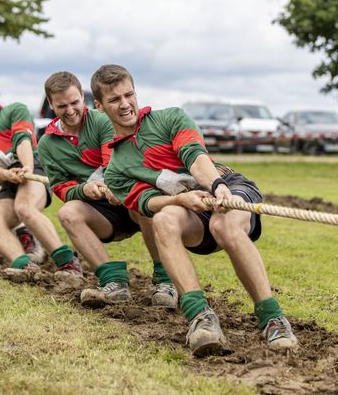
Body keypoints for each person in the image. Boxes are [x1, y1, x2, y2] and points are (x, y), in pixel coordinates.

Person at [90, 64, 298, 356]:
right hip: (189, 207)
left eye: (129, 95)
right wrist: (180, 200)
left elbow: (195, 157)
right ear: (99, 106)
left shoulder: (170, 118)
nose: (125, 104)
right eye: (114, 99)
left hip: (226, 185)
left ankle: (273, 319)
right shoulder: (115, 169)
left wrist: (217, 186)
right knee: (162, 220)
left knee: (223, 226)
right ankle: (201, 317)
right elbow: (146, 203)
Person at [37, 71, 178, 308]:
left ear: (83, 97)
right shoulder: (46, 144)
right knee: (68, 213)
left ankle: (166, 280)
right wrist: (84, 190)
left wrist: (113, 187)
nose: (70, 110)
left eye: (74, 102)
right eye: (62, 106)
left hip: (130, 198)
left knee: (141, 196)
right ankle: (114, 282)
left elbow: (112, 162)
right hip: (102, 212)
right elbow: (60, 187)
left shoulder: (102, 121)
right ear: (51, 105)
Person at [0, 80, 77, 275]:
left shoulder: (14, 111)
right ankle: (25, 267)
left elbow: (22, 139)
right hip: (8, 178)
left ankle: (69, 264)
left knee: (24, 207)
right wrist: (5, 174)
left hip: (33, 165)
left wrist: (26, 166)